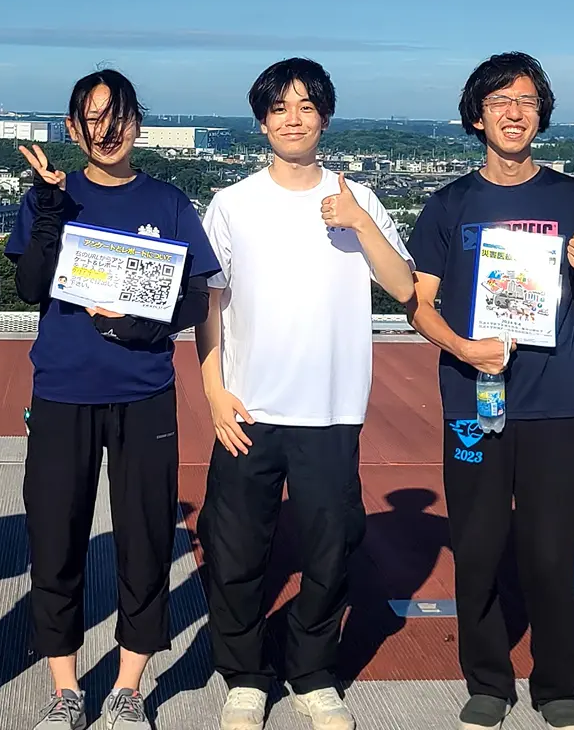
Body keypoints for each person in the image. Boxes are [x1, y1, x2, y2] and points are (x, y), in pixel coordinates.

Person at [194, 59, 414, 730]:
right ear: (262, 121)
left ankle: (312, 673)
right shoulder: (232, 203)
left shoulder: (358, 197)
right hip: (248, 407)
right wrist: (214, 391)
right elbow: (210, 303)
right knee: (234, 549)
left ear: (325, 117)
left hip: (330, 407)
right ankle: (244, 676)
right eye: (280, 108)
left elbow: (404, 287)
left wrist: (360, 223)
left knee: (331, 548)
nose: (294, 118)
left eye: (307, 106)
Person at [5, 69, 220, 730]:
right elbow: (31, 286)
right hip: (63, 391)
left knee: (146, 540)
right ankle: (65, 690)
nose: (106, 130)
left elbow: (196, 297)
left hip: (144, 394)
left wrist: (141, 326)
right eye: (92, 118)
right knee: (55, 539)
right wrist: (48, 208)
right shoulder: (51, 194)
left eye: (117, 116)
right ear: (73, 128)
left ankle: (129, 688)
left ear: (137, 123)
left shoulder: (169, 202)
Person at [403, 52, 574, 730]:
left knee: (555, 553)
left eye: (525, 101)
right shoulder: (448, 204)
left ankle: (557, 685)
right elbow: (418, 304)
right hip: (475, 397)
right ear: (476, 117)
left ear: (541, 114)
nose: (514, 113)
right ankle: (488, 679)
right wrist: (465, 350)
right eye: (499, 102)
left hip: (558, 399)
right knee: (479, 547)